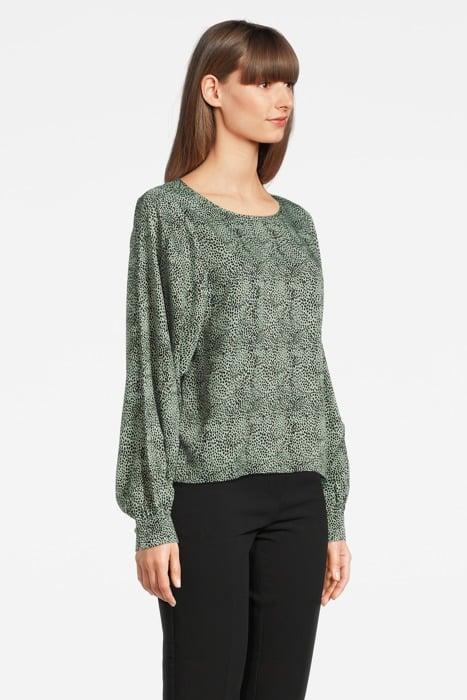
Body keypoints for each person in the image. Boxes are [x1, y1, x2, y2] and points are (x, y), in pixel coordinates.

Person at [115, 18, 351, 700]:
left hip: (299, 495)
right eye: (264, 82)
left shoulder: (297, 223)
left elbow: (309, 367)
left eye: (289, 84)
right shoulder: (169, 214)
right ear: (213, 90)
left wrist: (333, 510)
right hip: (207, 495)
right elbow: (152, 369)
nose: (282, 98)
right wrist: (152, 515)